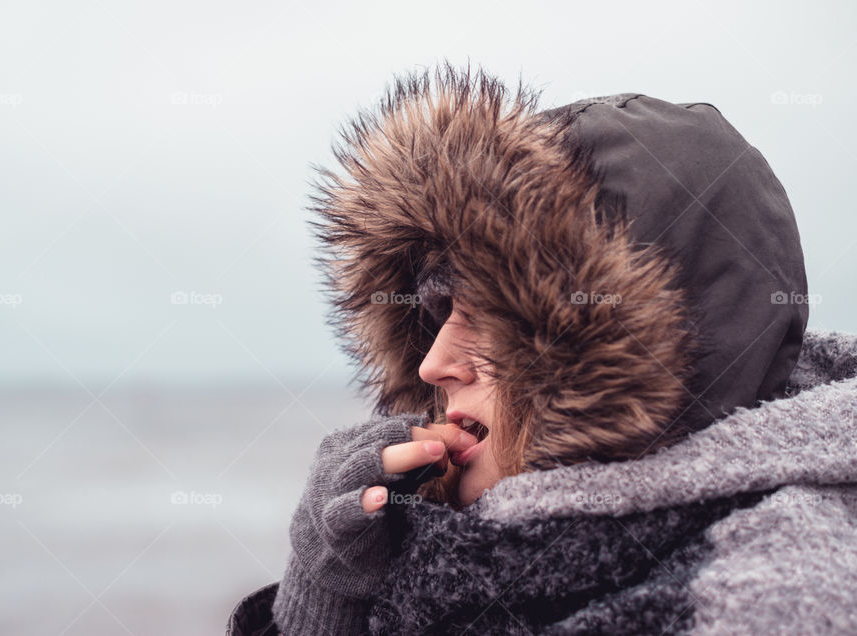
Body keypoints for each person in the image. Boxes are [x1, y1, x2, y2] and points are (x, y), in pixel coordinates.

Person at [226, 60, 857, 635]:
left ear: (617, 349)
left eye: (492, 319)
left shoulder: (766, 599)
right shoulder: (477, 553)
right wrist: (323, 602)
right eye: (440, 312)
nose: (432, 365)